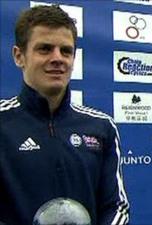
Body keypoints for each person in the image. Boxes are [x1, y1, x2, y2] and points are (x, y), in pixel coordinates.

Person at [0, 5, 130, 224]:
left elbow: (116, 207)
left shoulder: (101, 126)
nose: (57, 58)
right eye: (45, 49)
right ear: (19, 56)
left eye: (66, 51)